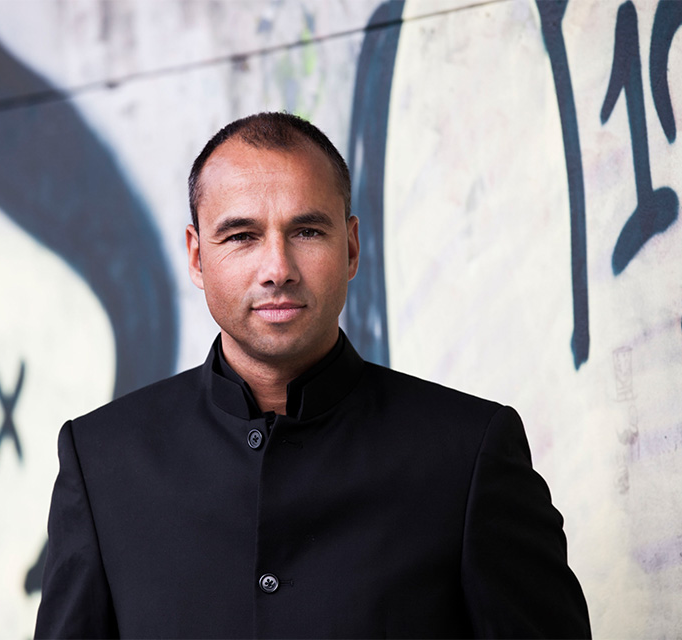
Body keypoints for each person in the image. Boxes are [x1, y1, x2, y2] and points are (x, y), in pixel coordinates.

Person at [35, 112, 591, 638]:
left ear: (350, 248)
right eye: (241, 236)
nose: (277, 269)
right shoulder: (102, 460)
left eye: (306, 231)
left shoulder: (469, 454)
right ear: (198, 257)